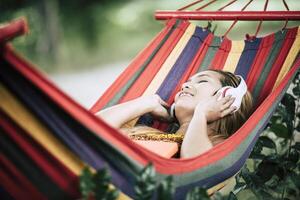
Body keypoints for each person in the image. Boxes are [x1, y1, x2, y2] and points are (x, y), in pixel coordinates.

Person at [96, 69, 253, 158]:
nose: (185, 85)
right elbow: (87, 130)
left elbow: (195, 166)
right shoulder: (149, 133)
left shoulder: (221, 145)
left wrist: (201, 115)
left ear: (226, 97)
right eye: (188, 81)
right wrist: (147, 103)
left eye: (202, 81)